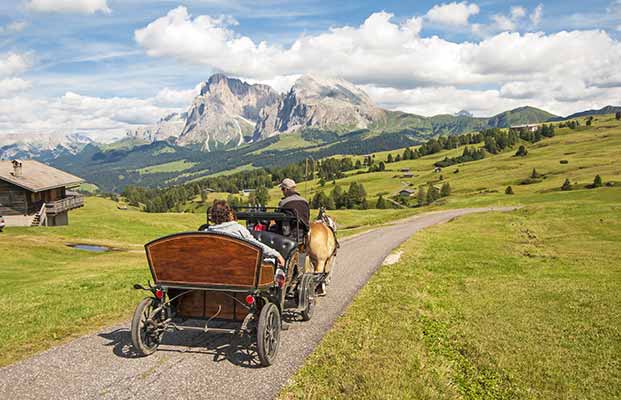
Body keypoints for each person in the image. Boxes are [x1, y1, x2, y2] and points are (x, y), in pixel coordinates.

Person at [204, 199, 285, 266]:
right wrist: (276, 254)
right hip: (237, 267)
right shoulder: (238, 229)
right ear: (228, 214)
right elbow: (256, 246)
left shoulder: (206, 233)